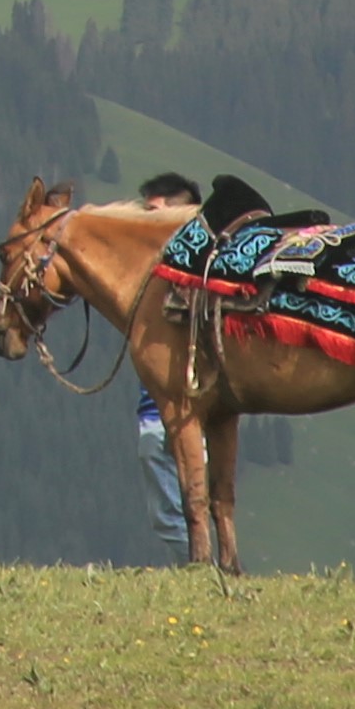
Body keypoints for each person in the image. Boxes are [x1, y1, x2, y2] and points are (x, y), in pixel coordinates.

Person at [122, 172, 202, 561]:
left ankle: (203, 570)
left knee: (177, 513)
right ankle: (206, 568)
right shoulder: (150, 277)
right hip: (165, 414)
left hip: (176, 414)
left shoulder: (196, 279)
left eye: (154, 213)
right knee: (176, 511)